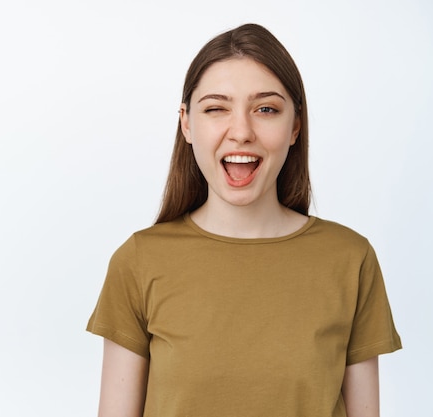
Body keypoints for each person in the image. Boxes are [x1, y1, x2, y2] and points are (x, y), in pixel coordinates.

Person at [86, 23, 401, 417]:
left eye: (266, 109)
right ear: (186, 123)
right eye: (216, 108)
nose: (241, 132)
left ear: (295, 126)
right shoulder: (137, 261)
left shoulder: (350, 259)